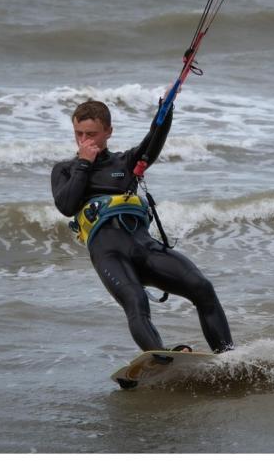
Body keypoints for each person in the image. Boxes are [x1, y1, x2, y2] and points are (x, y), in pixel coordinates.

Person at [50, 93, 234, 354]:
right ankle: (161, 360)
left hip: (144, 247)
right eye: (79, 133)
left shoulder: (125, 163)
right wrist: (84, 164)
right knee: (136, 302)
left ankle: (228, 358)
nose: (84, 140)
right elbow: (67, 206)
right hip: (109, 254)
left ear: (108, 132)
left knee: (202, 288)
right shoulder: (65, 170)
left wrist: (166, 107)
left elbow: (155, 138)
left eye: (91, 134)